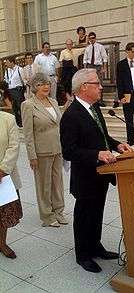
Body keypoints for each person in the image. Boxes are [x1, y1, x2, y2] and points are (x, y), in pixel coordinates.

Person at [60, 68, 132, 273]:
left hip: (102, 174)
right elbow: (69, 151)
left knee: (97, 212)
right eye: (96, 83)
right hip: (85, 178)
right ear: (84, 87)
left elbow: (102, 137)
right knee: (84, 215)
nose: (101, 87)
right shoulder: (71, 115)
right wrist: (96, 155)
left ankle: (96, 246)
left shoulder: (94, 108)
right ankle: (83, 255)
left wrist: (117, 145)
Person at [21, 73, 67, 228]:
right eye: (41, 84)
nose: (46, 86)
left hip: (57, 148)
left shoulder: (53, 101)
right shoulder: (28, 105)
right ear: (35, 87)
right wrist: (31, 155)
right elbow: (27, 133)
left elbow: (57, 123)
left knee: (57, 183)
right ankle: (47, 216)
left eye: (47, 83)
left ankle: (58, 211)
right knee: (44, 185)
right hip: (41, 152)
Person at [0, 111, 22, 259]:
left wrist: (2, 170)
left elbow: (14, 146)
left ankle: (2, 242)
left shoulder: (8, 119)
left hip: (4, 176)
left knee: (4, 213)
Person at [116, 42, 134, 146]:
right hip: (127, 94)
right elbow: (119, 81)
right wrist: (121, 96)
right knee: (128, 117)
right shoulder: (121, 64)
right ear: (127, 51)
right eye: (132, 51)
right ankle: (130, 139)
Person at [83, 32, 108, 107]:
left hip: (98, 67)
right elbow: (85, 59)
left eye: (93, 38)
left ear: (95, 38)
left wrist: (104, 68)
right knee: (91, 83)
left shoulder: (100, 47)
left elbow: (105, 58)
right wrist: (85, 69)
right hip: (90, 66)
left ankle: (100, 100)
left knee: (99, 83)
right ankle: (92, 100)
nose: (92, 39)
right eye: (90, 38)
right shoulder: (87, 48)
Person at [4, 56, 25, 127]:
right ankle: (17, 122)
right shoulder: (7, 71)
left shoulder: (20, 69)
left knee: (20, 107)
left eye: (7, 62)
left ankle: (23, 122)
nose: (6, 64)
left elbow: (24, 80)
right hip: (10, 91)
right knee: (14, 108)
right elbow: (6, 80)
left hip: (18, 90)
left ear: (12, 62)